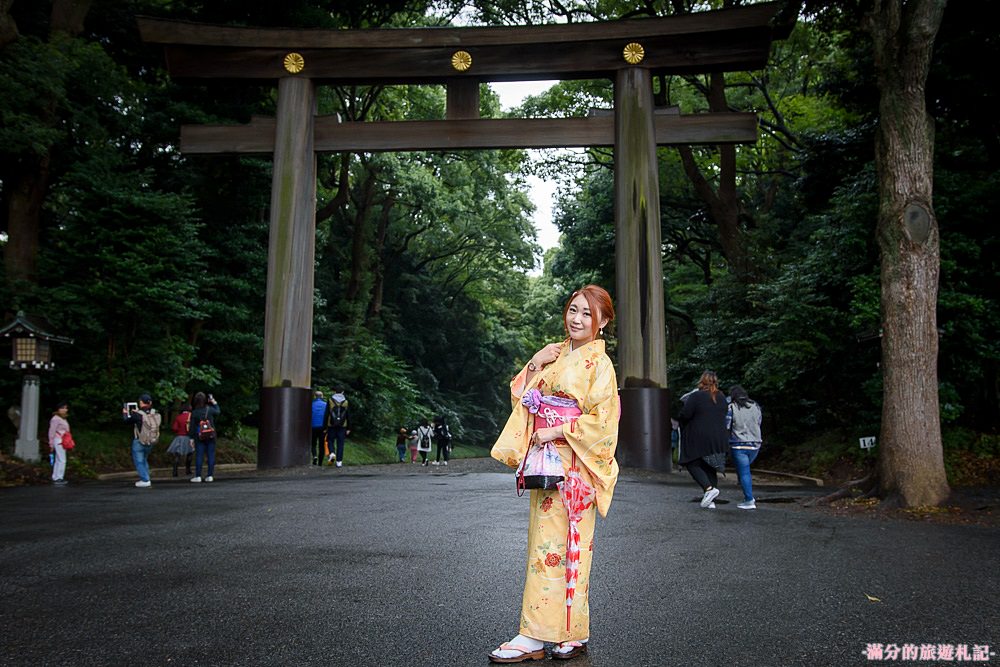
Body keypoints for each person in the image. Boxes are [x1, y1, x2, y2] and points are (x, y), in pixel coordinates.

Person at [489, 284, 620, 662]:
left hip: (577, 467)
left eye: (587, 314)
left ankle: (543, 634)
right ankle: (559, 633)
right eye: (572, 310)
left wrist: (558, 429)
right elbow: (524, 398)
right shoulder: (556, 354)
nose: (577, 319)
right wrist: (534, 362)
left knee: (567, 548)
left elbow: (605, 423)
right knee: (547, 548)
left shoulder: (600, 365)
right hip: (548, 464)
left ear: (604, 322)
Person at [677, 371, 730, 509]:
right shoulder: (721, 397)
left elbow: (685, 414)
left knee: (691, 462)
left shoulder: (696, 396)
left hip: (699, 436)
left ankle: (708, 489)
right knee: (710, 466)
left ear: (702, 381)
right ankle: (711, 500)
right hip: (719, 437)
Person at [727, 385, 763, 510]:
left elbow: (727, 425)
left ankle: (749, 499)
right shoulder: (755, 406)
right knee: (745, 471)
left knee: (744, 473)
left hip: (738, 443)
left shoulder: (731, 407)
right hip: (755, 443)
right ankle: (748, 497)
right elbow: (759, 422)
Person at [123, 393, 161, 488]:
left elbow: (127, 421)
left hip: (140, 440)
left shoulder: (138, 414)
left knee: (139, 460)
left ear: (140, 402)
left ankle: (145, 479)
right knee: (144, 459)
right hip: (151, 440)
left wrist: (125, 413)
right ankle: (146, 477)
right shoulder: (154, 412)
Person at [188, 392, 220, 483]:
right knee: (211, 455)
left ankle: (198, 476)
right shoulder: (209, 410)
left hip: (200, 436)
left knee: (199, 455)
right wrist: (213, 401)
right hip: (211, 435)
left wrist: (191, 438)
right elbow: (218, 411)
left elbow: (192, 426)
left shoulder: (194, 412)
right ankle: (210, 475)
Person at [167, 403, 194, 477]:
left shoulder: (178, 417)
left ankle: (175, 472)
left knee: (177, 455)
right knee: (190, 454)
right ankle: (188, 470)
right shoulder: (192, 417)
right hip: (189, 437)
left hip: (180, 437)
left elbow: (174, 428)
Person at [48, 401, 71, 486]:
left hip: (63, 440)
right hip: (58, 440)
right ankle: (59, 477)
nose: (65, 410)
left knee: (59, 459)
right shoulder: (56, 419)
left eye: (66, 408)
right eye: (63, 408)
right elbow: (52, 431)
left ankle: (56, 476)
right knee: (62, 459)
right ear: (58, 409)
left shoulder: (62, 418)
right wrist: (51, 443)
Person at [326, 387, 350, 467]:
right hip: (342, 425)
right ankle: (339, 462)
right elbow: (348, 415)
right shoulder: (346, 402)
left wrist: (324, 426)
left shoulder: (330, 400)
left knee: (330, 440)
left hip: (331, 424)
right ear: (342, 392)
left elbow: (326, 414)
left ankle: (332, 453)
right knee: (340, 443)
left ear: (334, 391)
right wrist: (349, 428)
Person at [310, 390, 328, 466]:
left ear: (315, 396)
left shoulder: (311, 404)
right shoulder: (326, 405)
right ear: (322, 396)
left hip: (313, 427)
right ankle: (320, 463)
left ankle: (314, 456)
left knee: (313, 443)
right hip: (322, 428)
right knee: (321, 445)